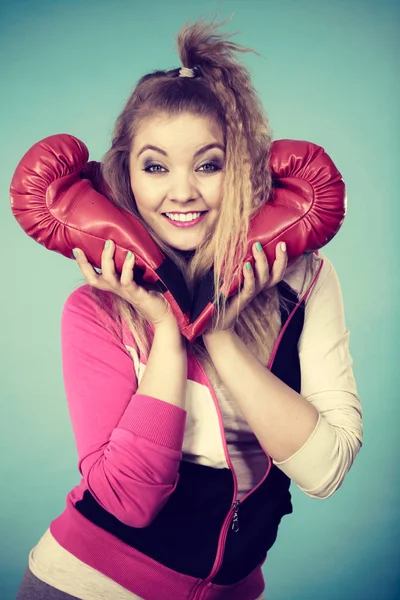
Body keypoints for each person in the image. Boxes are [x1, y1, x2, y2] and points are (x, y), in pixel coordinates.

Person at [15, 17, 363, 600]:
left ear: (245, 167)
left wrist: (220, 333)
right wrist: (166, 332)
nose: (182, 192)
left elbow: (324, 470)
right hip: (85, 586)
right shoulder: (93, 310)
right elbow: (129, 500)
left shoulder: (304, 282)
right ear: (126, 172)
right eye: (155, 166)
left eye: (209, 164)